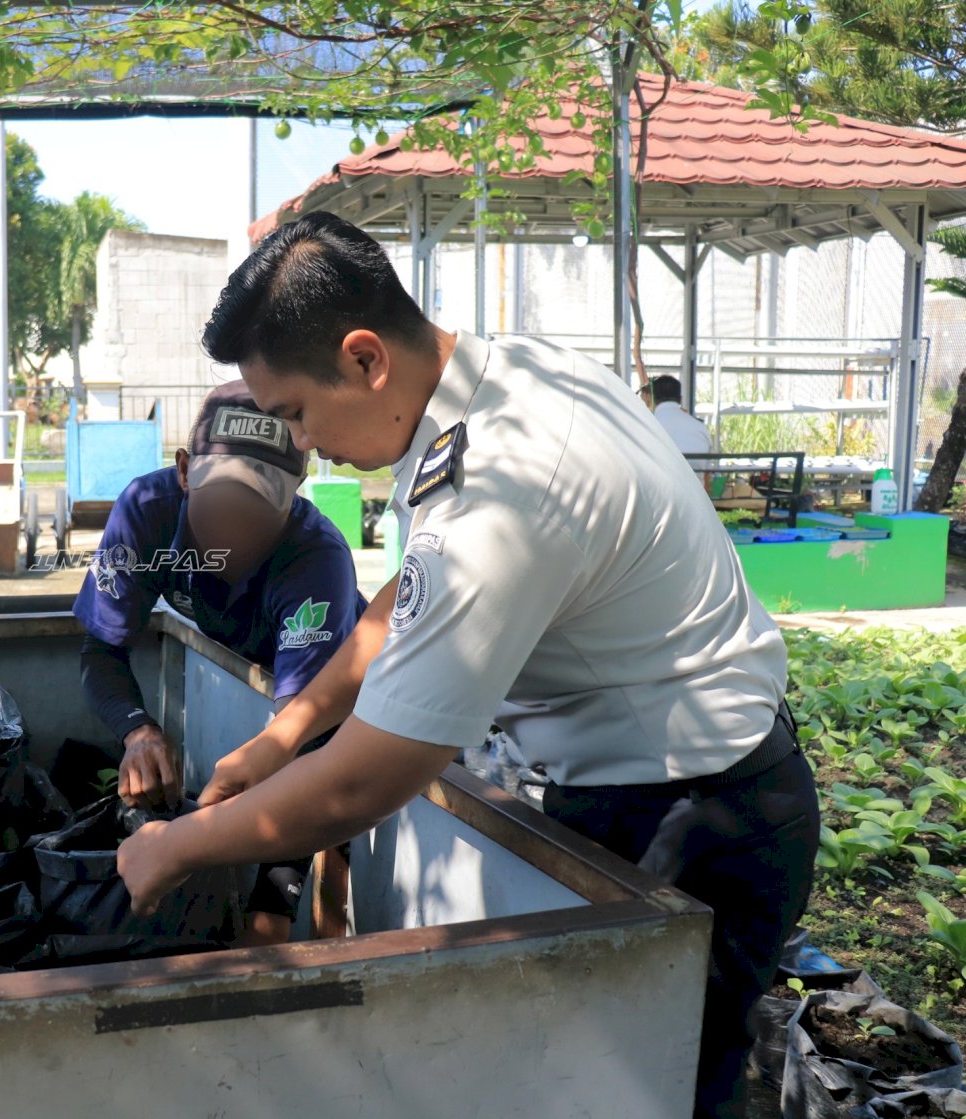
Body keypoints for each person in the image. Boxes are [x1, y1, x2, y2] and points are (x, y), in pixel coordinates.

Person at [116, 212, 816, 1119]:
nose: (304, 443)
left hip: (701, 817)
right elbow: (410, 593)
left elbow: (369, 778)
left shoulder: (503, 484)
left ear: (366, 359)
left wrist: (176, 846)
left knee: (650, 1088)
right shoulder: (507, 381)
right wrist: (283, 733)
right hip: (641, 787)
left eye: (295, 412)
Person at [75, 379, 366, 945]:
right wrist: (138, 732)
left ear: (296, 491)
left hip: (336, 703)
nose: (233, 534)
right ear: (184, 471)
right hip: (285, 706)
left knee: (312, 884)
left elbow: (306, 735)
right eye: (219, 505)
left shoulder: (315, 559)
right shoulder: (147, 515)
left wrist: (273, 901)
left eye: (258, 510)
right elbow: (101, 648)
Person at [643, 374, 713, 457]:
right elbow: (708, 467)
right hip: (695, 470)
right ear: (680, 399)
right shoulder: (701, 427)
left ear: (652, 399)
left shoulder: (645, 426)